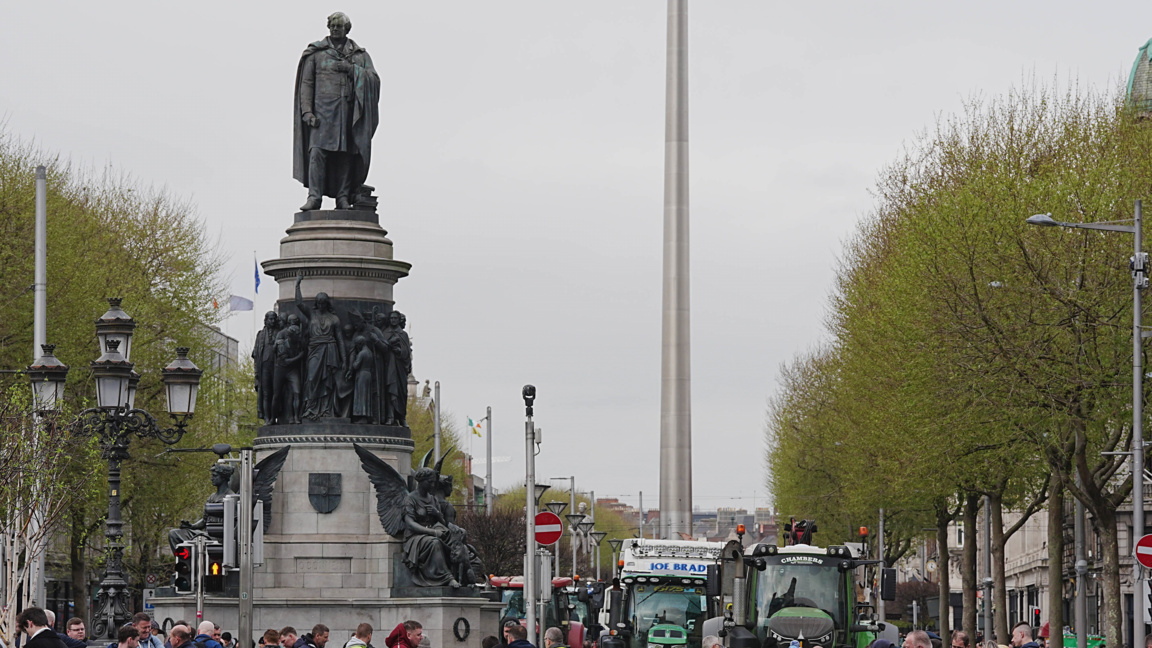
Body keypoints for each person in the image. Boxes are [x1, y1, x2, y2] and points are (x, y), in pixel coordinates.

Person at [293, 11, 381, 211]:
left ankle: (342, 197)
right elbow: (306, 85)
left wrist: (352, 70)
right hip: (321, 116)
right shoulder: (316, 54)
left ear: (346, 29)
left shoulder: (360, 55)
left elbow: (374, 79)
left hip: (347, 115)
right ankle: (314, 197)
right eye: (332, 26)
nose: (334, 29)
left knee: (344, 155)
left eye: (338, 26)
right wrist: (307, 112)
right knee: (317, 154)